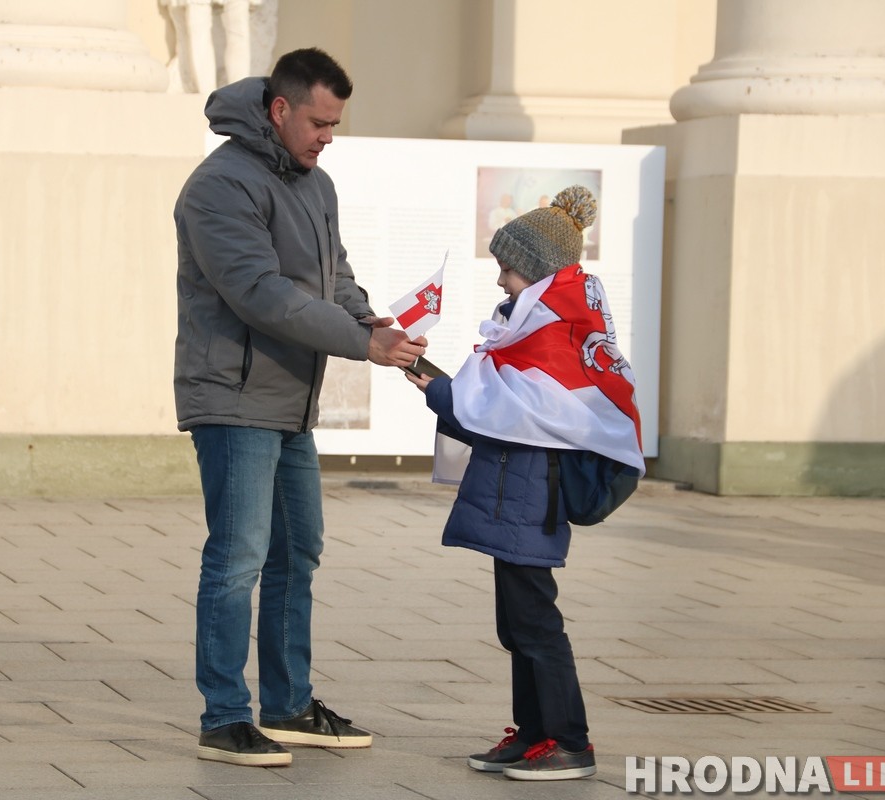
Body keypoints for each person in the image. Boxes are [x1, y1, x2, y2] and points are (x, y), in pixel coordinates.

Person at [172, 47, 428, 768]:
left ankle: (287, 707)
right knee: (238, 557)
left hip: (290, 402)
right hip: (234, 397)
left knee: (298, 551)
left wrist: (369, 320)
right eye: (319, 121)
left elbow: (331, 276)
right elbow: (259, 292)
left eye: (336, 124)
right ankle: (224, 717)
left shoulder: (316, 185)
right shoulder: (219, 187)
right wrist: (356, 343)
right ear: (280, 109)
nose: (328, 136)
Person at [404, 186, 644, 781]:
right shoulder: (534, 331)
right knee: (517, 625)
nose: (500, 281)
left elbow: (500, 417)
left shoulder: (550, 340)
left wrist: (429, 384)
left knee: (535, 623)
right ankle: (534, 733)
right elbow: (495, 410)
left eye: (507, 268)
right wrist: (436, 383)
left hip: (530, 501)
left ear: (535, 272)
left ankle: (570, 742)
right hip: (516, 497)